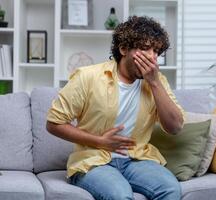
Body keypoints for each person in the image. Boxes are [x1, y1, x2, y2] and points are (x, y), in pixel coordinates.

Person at [46, 15, 185, 200]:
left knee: (170, 189)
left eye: (157, 51)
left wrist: (154, 83)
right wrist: (99, 141)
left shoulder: (158, 83)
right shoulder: (88, 77)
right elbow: (54, 123)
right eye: (145, 48)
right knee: (120, 195)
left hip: (137, 159)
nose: (152, 57)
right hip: (94, 161)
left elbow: (175, 127)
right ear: (123, 48)